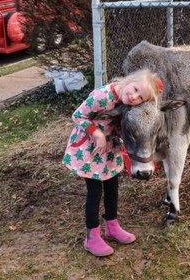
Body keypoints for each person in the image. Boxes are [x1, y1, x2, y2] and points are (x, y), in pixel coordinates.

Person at [62, 69, 164, 257]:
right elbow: (77, 116)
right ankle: (91, 236)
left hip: (109, 150)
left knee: (112, 187)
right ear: (128, 80)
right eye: (134, 89)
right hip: (91, 149)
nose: (133, 97)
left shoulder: (128, 102)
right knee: (95, 191)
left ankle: (112, 226)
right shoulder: (101, 96)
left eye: (140, 97)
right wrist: (97, 132)